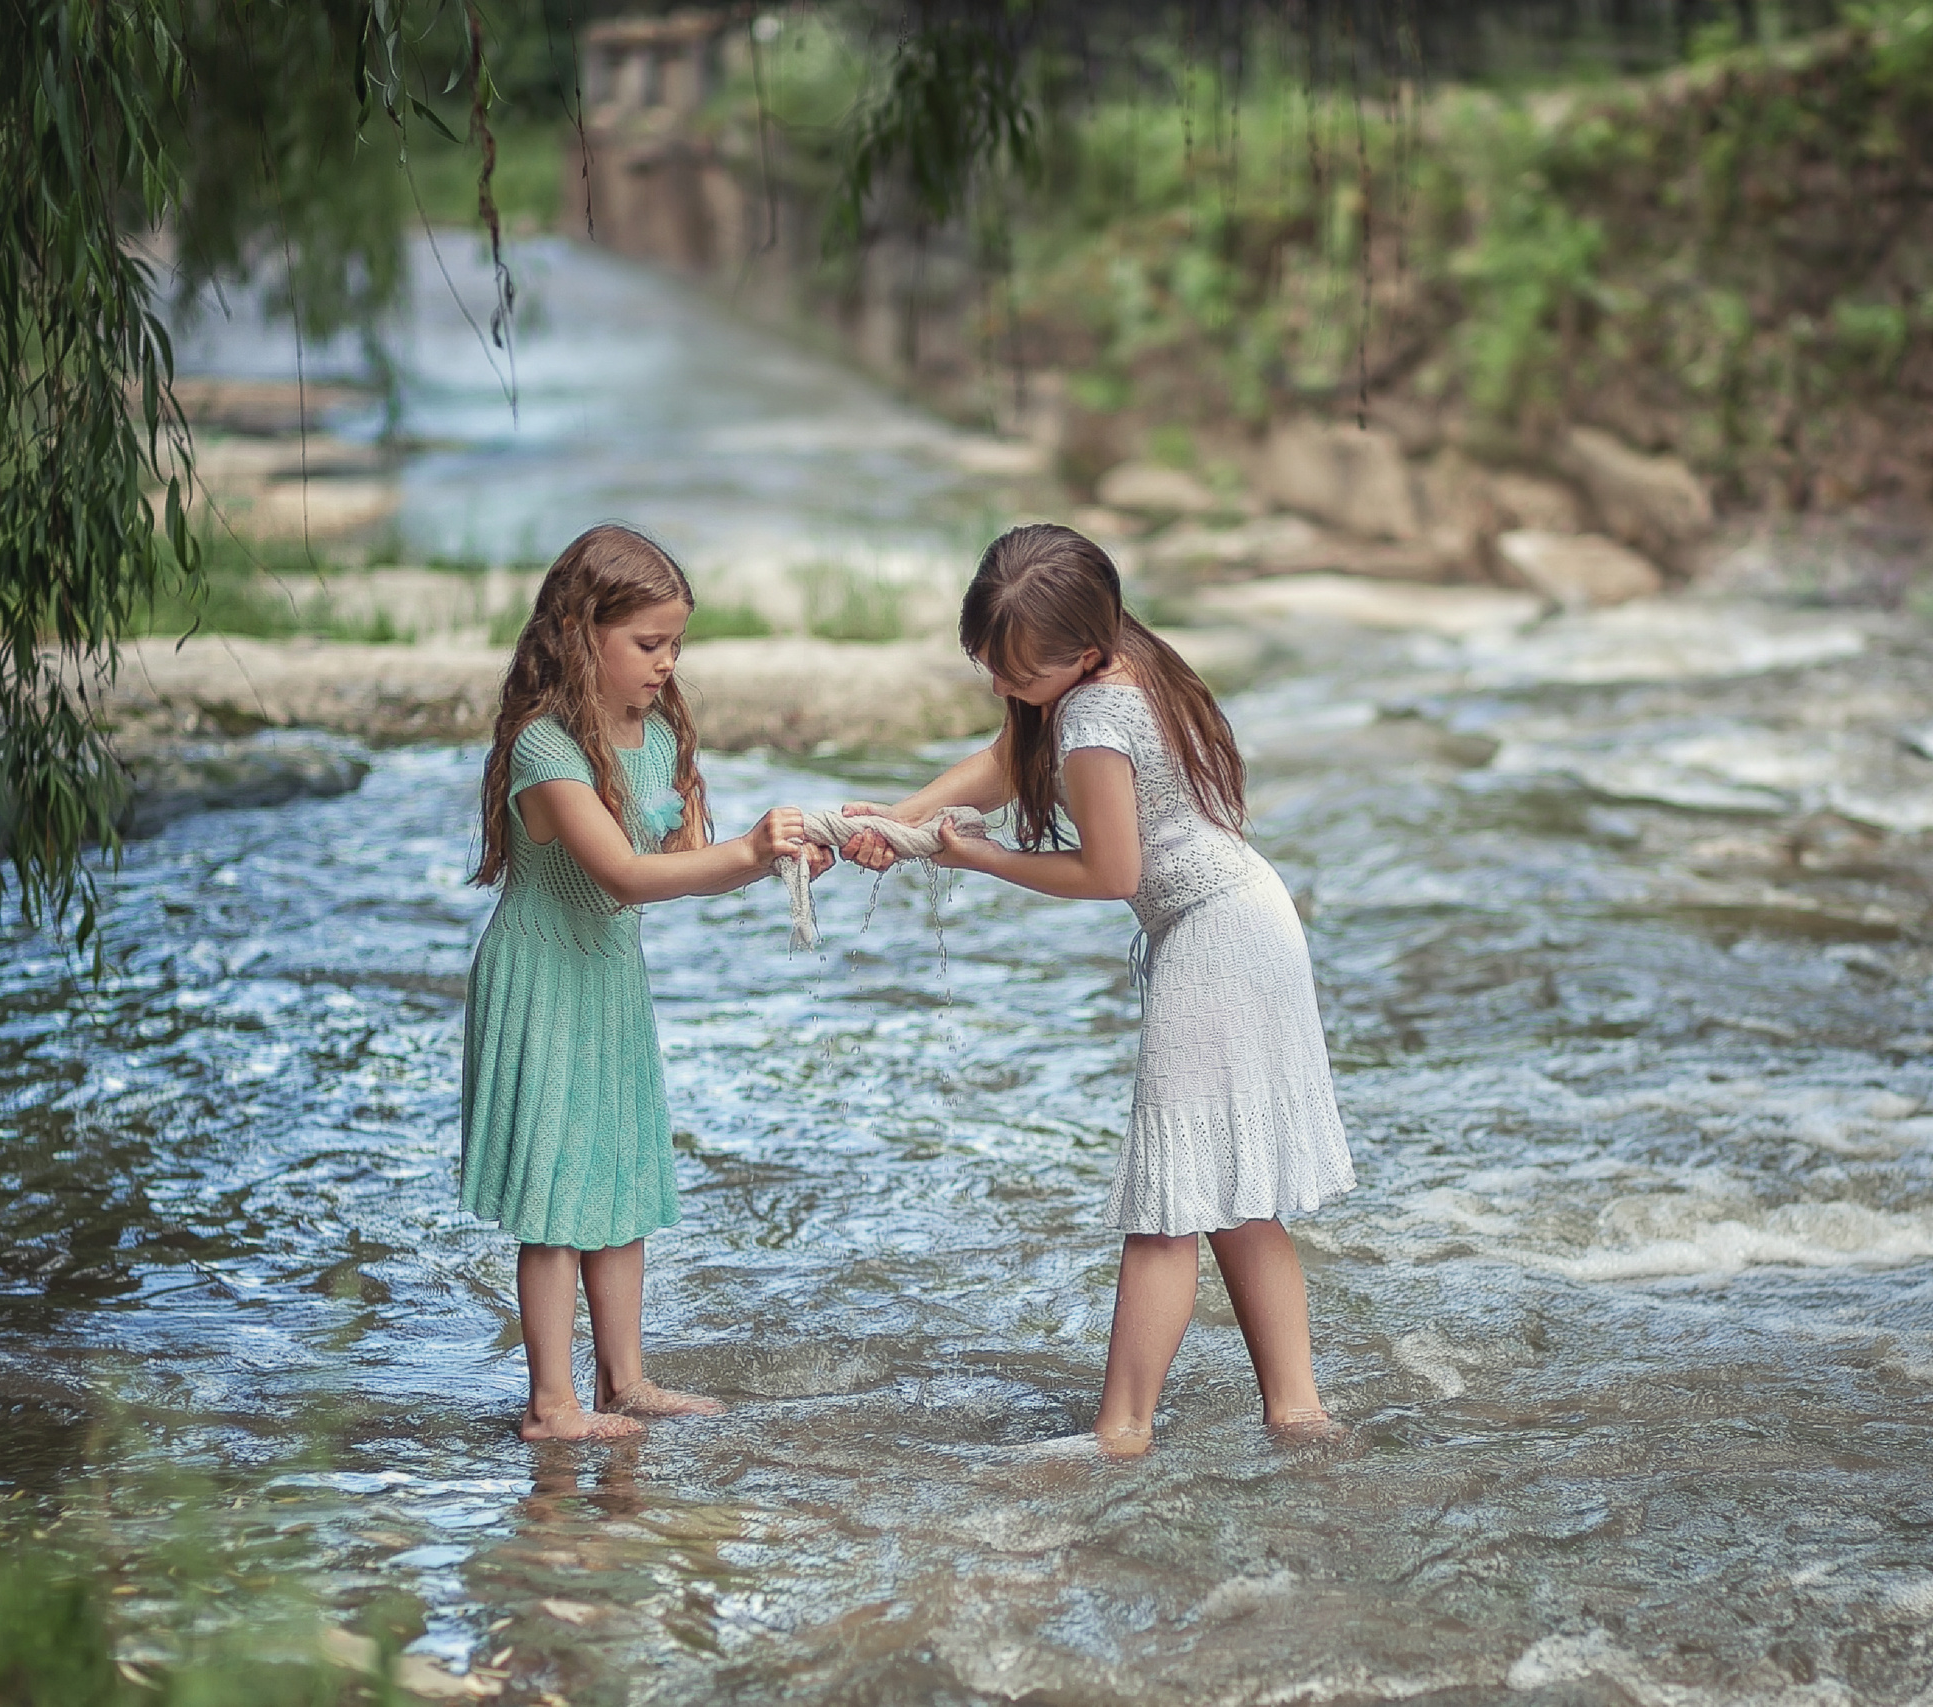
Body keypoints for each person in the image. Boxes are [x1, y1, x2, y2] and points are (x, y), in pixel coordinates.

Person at [843, 523, 1353, 1456]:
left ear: (1077, 654)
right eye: (988, 667)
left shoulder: (1093, 712)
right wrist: (904, 814)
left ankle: (1120, 1433)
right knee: (1238, 1193)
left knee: (1167, 1203)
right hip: (1252, 915)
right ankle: (1298, 1414)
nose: (1001, 687)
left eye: (1015, 675)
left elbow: (1113, 872)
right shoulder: (1124, 654)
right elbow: (1004, 762)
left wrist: (984, 857)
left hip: (1214, 936)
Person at [464, 523, 829, 1442]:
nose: (668, 664)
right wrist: (742, 852)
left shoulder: (656, 734)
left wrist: (769, 862)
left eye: (676, 645)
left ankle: (623, 1380)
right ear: (582, 632)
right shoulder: (547, 750)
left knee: (619, 1174)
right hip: (544, 978)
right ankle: (552, 1403)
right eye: (648, 644)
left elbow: (681, 863)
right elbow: (624, 875)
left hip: (612, 978)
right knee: (553, 1194)